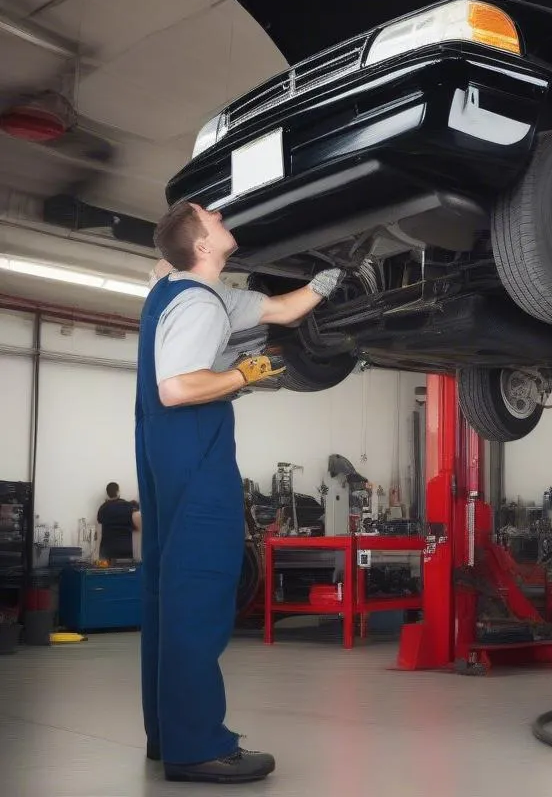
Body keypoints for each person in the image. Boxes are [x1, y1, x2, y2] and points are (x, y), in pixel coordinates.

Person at [137, 200, 340, 784]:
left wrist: (326, 283)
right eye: (213, 218)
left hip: (164, 455)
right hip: (194, 452)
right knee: (199, 594)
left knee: (167, 595)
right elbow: (177, 388)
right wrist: (240, 376)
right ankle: (199, 746)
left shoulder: (178, 287)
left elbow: (279, 307)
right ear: (201, 246)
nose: (224, 218)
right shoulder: (201, 304)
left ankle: (166, 734)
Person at [96, 482, 140, 561]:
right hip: (126, 549)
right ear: (118, 492)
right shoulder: (128, 506)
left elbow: (99, 520)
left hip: (107, 551)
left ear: (107, 493)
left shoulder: (102, 509)